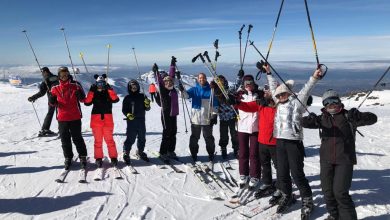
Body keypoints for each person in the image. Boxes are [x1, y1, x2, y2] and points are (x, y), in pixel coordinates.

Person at [301, 90, 377, 220]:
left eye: (334, 101)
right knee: (328, 192)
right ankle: (334, 215)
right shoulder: (321, 119)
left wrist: (359, 116)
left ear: (339, 101)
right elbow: (302, 122)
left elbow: (373, 118)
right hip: (326, 160)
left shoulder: (349, 117)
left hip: (345, 160)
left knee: (340, 193)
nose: (332, 104)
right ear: (324, 105)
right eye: (327, 102)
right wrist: (309, 119)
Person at [265, 64, 323, 215]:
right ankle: (287, 194)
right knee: (282, 173)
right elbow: (273, 88)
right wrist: (269, 73)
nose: (279, 96)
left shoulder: (297, 104)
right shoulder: (278, 103)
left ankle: (307, 199)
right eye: (278, 95)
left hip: (293, 143)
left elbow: (306, 89)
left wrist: (314, 77)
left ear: (288, 93)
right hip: (280, 142)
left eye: (283, 94)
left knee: (297, 174)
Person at [236, 84, 278, 196]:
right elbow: (248, 106)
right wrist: (237, 103)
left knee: (279, 164)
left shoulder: (280, 105)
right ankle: (267, 182)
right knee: (265, 164)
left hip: (275, 140)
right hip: (262, 139)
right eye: (265, 92)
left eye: (268, 91)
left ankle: (282, 185)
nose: (265, 93)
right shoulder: (261, 103)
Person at [49, 66, 88, 170]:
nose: (64, 77)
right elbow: (52, 104)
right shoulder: (54, 87)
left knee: (77, 138)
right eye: (62, 75)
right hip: (62, 118)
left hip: (75, 116)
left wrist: (80, 96)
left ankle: (83, 157)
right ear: (59, 76)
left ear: (68, 74)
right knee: (65, 140)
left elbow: (84, 100)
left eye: (66, 75)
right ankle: (68, 157)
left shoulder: (76, 85)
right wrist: (52, 100)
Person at [181, 73, 218, 165]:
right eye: (200, 78)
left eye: (203, 77)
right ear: (198, 79)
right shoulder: (194, 89)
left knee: (209, 138)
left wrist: (214, 115)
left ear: (206, 79)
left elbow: (215, 104)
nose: (202, 79)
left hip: (207, 119)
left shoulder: (211, 90)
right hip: (196, 119)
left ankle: (211, 153)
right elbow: (185, 96)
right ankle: (194, 154)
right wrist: (182, 90)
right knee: (194, 138)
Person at [84, 74, 120, 168]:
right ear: (96, 84)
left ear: (105, 83)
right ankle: (98, 158)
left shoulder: (108, 92)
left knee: (110, 140)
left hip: (108, 120)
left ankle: (113, 157)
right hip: (96, 120)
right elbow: (87, 102)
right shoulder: (94, 92)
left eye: (102, 83)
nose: (100, 85)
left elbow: (116, 99)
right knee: (98, 141)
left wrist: (110, 89)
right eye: (99, 84)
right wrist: (91, 91)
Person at [234, 74, 262, 188]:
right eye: (246, 83)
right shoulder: (239, 95)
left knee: (254, 153)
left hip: (256, 127)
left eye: (250, 82)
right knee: (243, 152)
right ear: (243, 84)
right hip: (242, 127)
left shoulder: (259, 94)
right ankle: (243, 174)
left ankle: (255, 175)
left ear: (253, 82)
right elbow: (228, 99)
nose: (248, 85)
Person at [154, 61, 180, 162]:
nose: (168, 82)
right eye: (166, 81)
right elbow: (160, 81)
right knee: (167, 133)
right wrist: (156, 72)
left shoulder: (173, 89)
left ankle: (170, 151)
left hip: (174, 113)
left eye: (169, 81)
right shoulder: (163, 90)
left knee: (173, 132)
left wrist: (172, 64)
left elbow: (172, 76)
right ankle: (163, 152)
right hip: (165, 114)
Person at [122, 79, 151, 164]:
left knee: (142, 137)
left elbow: (147, 108)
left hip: (141, 120)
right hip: (131, 121)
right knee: (131, 137)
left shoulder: (142, 96)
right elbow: (124, 110)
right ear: (129, 88)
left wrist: (147, 104)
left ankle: (140, 151)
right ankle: (126, 152)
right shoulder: (127, 98)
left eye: (135, 87)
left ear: (138, 87)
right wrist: (128, 115)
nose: (134, 88)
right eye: (132, 87)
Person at [27, 67, 58, 137]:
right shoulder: (57, 77)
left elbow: (41, 93)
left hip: (52, 99)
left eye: (42, 73)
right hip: (61, 98)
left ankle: (45, 129)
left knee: (50, 113)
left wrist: (33, 98)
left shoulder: (45, 81)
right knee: (60, 113)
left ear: (45, 72)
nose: (42, 74)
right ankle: (63, 129)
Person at [213, 75, 238, 159]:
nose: (221, 82)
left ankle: (236, 148)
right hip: (222, 118)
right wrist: (214, 115)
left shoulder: (229, 90)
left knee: (234, 134)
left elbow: (236, 85)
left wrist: (239, 76)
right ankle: (223, 148)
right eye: (219, 81)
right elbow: (213, 104)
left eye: (222, 81)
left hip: (232, 117)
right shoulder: (215, 91)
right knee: (223, 135)